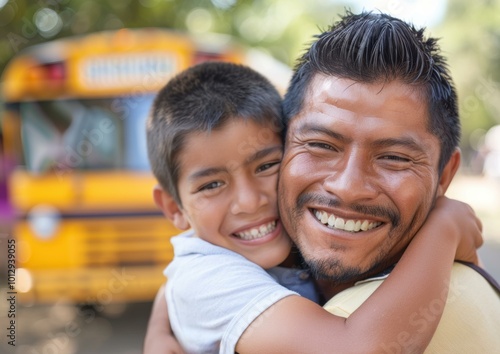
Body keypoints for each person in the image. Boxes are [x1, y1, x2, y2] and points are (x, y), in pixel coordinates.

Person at [144, 60, 482, 354]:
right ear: (173, 207)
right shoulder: (205, 280)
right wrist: (444, 228)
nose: (250, 201)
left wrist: (160, 321)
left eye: (266, 166)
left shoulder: (281, 238)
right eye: (211, 185)